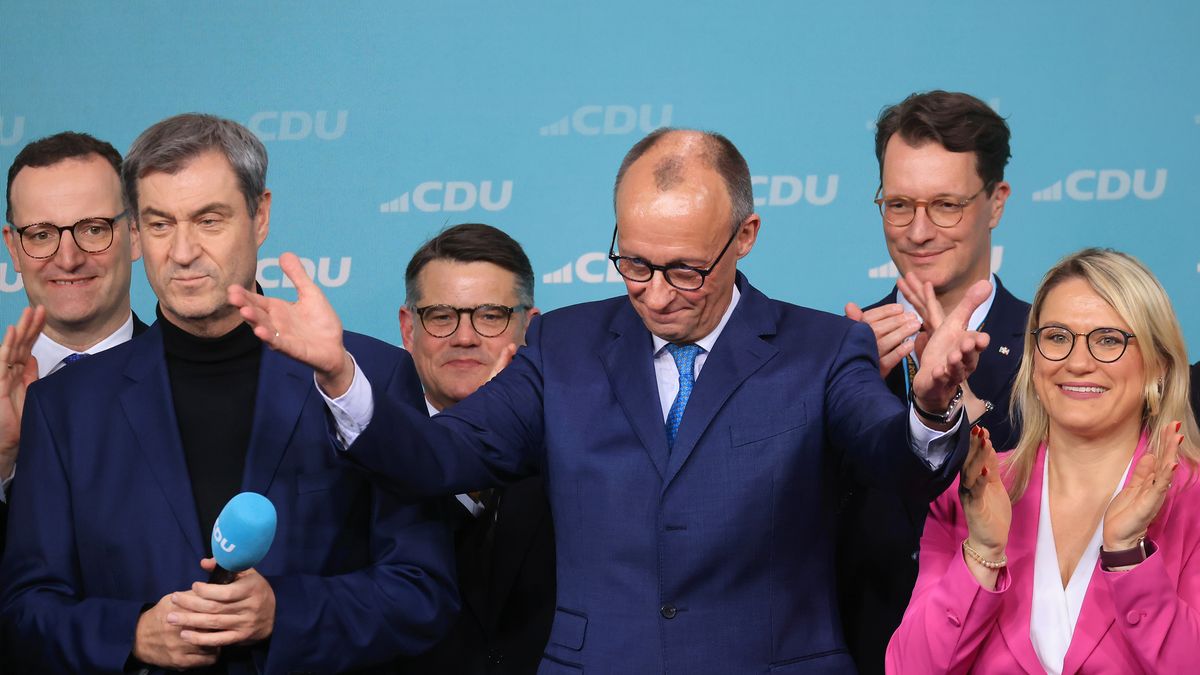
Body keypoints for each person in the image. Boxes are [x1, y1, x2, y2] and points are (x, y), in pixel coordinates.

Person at [231, 127, 993, 673]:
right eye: (634, 262)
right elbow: (437, 456)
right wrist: (338, 373)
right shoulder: (562, 344)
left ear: (746, 234)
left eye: (686, 269)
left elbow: (899, 463)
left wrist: (928, 407)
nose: (656, 294)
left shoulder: (821, 347)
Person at [0, 114, 457, 673]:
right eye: (161, 224)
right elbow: (26, 610)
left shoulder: (368, 377)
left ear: (259, 215)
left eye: (209, 220)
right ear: (136, 236)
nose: (184, 251)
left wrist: (281, 612)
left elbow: (423, 592)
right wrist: (135, 635)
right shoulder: (65, 406)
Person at [888, 248, 1200, 673]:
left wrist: (1130, 556)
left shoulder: (1192, 499)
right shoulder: (975, 487)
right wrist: (982, 553)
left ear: (1158, 365)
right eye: (1056, 337)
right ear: (1033, 358)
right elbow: (910, 668)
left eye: (1108, 340)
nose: (1077, 362)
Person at [838, 90, 1031, 673]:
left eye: (946, 205)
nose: (918, 232)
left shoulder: (1054, 349)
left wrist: (960, 400)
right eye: (899, 205)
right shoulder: (832, 351)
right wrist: (846, 390)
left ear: (995, 203)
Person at [394, 223, 556, 674]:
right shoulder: (366, 451)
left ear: (532, 328)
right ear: (409, 329)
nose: (464, 337)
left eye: (490, 315)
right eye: (442, 316)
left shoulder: (575, 447)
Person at [1, 132, 149, 554]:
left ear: (135, 233)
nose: (68, 258)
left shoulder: (191, 381)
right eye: (42, 234)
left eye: (93, 228)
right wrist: (2, 462)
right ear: (13, 248)